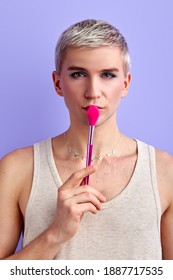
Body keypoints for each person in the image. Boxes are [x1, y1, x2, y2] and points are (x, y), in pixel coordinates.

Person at [0, 19, 173, 260]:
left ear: (125, 84)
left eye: (108, 75)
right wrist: (56, 234)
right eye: (78, 74)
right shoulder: (17, 168)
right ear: (58, 83)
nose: (93, 91)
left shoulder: (165, 171)